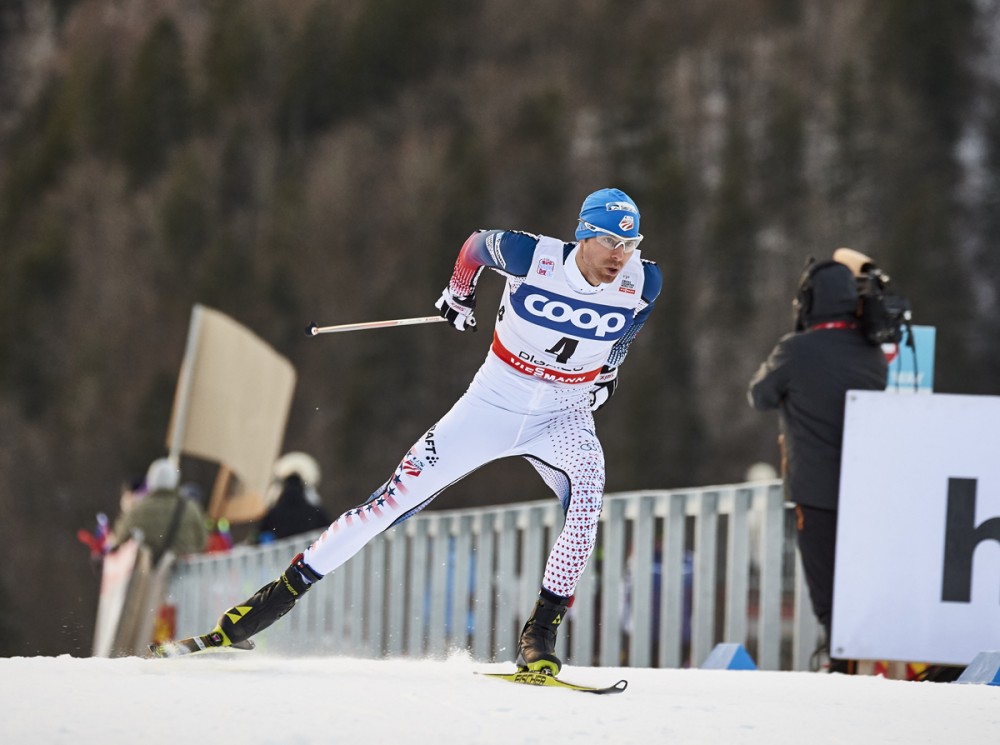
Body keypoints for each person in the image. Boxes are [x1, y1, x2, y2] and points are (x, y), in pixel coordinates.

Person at [205, 187, 662, 675]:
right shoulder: (534, 255)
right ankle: (270, 602)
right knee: (387, 505)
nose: (620, 255)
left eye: (630, 243)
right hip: (491, 406)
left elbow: (624, 337)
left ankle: (541, 633)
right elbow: (474, 246)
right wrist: (458, 294)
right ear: (584, 236)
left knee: (588, 500)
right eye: (611, 241)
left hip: (563, 415)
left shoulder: (644, 279)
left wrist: (606, 380)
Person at [747, 255, 887, 673]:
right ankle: (850, 659)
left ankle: (840, 664)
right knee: (859, 582)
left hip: (815, 491)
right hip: (868, 491)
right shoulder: (873, 353)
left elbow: (759, 395)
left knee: (826, 588)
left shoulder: (796, 350)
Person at [111, 458, 209, 562]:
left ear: (151, 480)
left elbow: (119, 537)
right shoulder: (191, 508)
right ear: (175, 481)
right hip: (185, 573)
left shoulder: (138, 510)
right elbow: (202, 542)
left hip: (150, 573)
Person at [251, 452, 331, 544]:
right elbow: (328, 532)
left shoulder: (273, 513)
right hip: (309, 555)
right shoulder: (315, 511)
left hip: (280, 557)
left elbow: (257, 538)